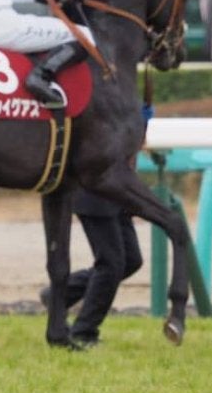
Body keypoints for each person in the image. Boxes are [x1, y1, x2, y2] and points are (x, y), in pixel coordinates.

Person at [40, 104, 153, 346]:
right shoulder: (100, 103)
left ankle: (61, 294)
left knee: (131, 260)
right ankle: (84, 331)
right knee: (111, 264)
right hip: (95, 191)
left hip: (117, 191)